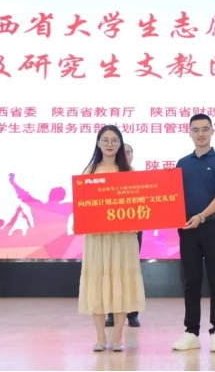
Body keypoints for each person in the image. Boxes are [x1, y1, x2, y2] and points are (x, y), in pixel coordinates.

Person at [78, 126, 146, 352]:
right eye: (105, 140)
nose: (109, 144)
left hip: (123, 237)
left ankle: (117, 338)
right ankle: (100, 337)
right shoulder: (89, 171)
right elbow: (83, 204)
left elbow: (139, 204)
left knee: (122, 283)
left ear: (120, 144)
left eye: (114, 140)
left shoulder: (129, 171)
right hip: (97, 238)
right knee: (97, 284)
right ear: (98, 143)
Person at [172, 114, 215, 353]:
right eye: (196, 129)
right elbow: (172, 196)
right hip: (188, 228)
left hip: (213, 226)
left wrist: (201, 216)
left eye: (205, 129)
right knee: (191, 281)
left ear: (212, 132)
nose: (200, 134)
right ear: (189, 133)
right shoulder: (181, 163)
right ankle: (191, 332)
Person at [106, 142, 143, 328]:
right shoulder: (107, 176)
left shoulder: (138, 177)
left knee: (130, 271)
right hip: (111, 231)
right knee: (111, 270)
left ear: (132, 156)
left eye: (129, 152)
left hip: (133, 230)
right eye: (123, 152)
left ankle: (132, 314)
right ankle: (111, 313)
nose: (126, 155)